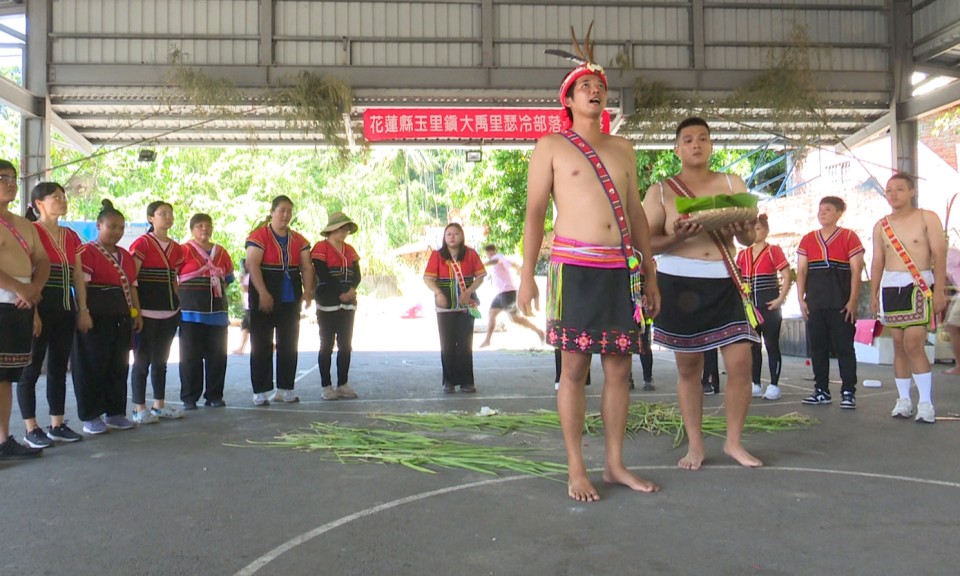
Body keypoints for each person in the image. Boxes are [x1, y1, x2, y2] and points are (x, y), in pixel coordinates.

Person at [518, 51, 661, 502]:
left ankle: (615, 464)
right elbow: (535, 214)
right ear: (568, 98)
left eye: (600, 87)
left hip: (621, 268)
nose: (595, 91)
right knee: (575, 368)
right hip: (573, 268)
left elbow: (636, 213)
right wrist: (527, 275)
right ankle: (576, 468)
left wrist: (650, 272)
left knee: (620, 368)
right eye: (585, 86)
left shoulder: (623, 148)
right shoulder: (551, 146)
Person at [644, 117, 761, 471]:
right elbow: (645, 242)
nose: (696, 144)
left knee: (741, 364)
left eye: (703, 138)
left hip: (725, 280)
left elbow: (749, 237)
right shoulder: (660, 191)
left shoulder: (732, 182)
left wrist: (742, 231)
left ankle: (733, 442)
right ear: (676, 149)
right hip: (678, 283)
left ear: (711, 145)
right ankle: (695, 445)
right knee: (689, 369)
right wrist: (677, 236)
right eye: (688, 139)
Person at [17, 182, 90, 448]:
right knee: (31, 368)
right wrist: (33, 313)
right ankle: (31, 428)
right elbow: (26, 273)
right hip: (39, 305)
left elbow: (78, 276)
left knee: (59, 367)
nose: (62, 201)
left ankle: (56, 425)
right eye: (56, 197)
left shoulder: (71, 235)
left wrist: (83, 309)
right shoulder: (29, 231)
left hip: (65, 307)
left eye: (63, 197)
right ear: (39, 204)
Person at [870, 174, 946, 423]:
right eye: (889, 190)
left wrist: (940, 289)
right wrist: (873, 294)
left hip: (919, 285)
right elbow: (878, 261)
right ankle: (903, 399)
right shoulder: (881, 225)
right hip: (891, 287)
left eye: (899, 189)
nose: (893, 194)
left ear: (912, 191)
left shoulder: (927, 217)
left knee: (914, 343)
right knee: (899, 345)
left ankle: (925, 402)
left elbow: (939, 254)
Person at [73, 199, 143, 434]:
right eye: (111, 226)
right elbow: (81, 286)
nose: (117, 232)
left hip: (121, 317)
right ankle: (90, 416)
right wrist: (83, 311)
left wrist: (137, 313)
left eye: (121, 228)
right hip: (96, 317)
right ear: (98, 225)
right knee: (92, 366)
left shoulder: (125, 255)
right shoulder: (87, 252)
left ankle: (115, 413)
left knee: (118, 365)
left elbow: (132, 287)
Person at [0, 160, 50, 459]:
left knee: (5, 376)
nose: (10, 183)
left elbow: (42, 260)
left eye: (12, 178)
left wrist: (33, 289)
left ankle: (3, 440)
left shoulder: (25, 225)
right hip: (7, 297)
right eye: (2, 177)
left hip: (21, 304)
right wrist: (20, 288)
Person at [245, 195, 314, 406]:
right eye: (282, 210)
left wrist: (308, 292)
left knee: (289, 343)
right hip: (263, 292)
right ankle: (260, 391)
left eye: (289, 211)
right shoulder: (259, 236)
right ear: (272, 212)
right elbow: (252, 264)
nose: (286, 215)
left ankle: (286, 389)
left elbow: (306, 267)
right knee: (261, 343)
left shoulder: (299, 240)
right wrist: (263, 293)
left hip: (290, 296)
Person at [796, 196, 864, 409]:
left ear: (839, 213)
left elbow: (856, 271)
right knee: (817, 348)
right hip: (815, 303)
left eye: (827, 209)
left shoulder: (849, 237)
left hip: (840, 303)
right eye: (820, 209)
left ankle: (848, 391)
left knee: (845, 348)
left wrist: (853, 300)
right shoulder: (808, 239)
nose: (822, 213)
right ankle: (821, 391)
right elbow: (801, 270)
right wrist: (801, 299)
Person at [129, 200, 185, 424]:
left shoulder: (177, 248)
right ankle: (139, 408)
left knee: (161, 360)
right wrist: (136, 311)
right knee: (142, 361)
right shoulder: (142, 244)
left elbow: (174, 280)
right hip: (146, 312)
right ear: (151, 218)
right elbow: (132, 279)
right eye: (162, 213)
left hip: (169, 312)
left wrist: (179, 305)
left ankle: (159, 405)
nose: (168, 217)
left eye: (170, 213)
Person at [178, 213, 235, 409]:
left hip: (217, 314)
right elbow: (173, 277)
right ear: (192, 229)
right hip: (190, 313)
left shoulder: (221, 252)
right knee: (190, 358)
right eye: (200, 226)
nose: (204, 229)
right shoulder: (183, 250)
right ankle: (189, 398)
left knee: (217, 357)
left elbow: (228, 279)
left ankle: (214, 395)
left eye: (208, 225)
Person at [424, 223, 486, 393]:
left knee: (465, 343)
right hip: (445, 307)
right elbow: (427, 278)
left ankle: (467, 382)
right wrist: (439, 293)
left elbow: (480, 276)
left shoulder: (471, 254)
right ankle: (449, 381)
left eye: (456, 233)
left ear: (462, 236)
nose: (452, 237)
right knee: (447, 344)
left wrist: (469, 292)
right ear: (444, 237)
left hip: (466, 305)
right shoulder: (437, 256)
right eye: (449, 234)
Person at [736, 214, 792, 401]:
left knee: (771, 345)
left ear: (766, 231)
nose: (754, 232)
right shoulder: (742, 254)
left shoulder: (773, 251)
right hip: (750, 309)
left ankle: (774, 385)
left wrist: (780, 299)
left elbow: (787, 275)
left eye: (758, 228)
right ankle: (755, 384)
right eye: (751, 229)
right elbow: (737, 278)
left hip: (769, 307)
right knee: (753, 346)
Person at [311, 211, 361, 401]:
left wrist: (351, 290)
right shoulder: (321, 248)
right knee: (326, 344)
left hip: (348, 303)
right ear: (332, 230)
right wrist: (340, 292)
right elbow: (323, 273)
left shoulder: (350, 250)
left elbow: (357, 275)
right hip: (327, 301)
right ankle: (326, 385)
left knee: (346, 345)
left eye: (346, 229)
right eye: (341, 228)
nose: (344, 232)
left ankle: (343, 384)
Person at [478, 244, 544, 348]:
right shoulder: (499, 259)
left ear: (492, 251)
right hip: (501, 293)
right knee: (491, 314)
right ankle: (487, 340)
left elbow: (496, 261)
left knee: (515, 319)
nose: (488, 255)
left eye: (489, 252)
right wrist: (517, 268)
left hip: (508, 293)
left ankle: (539, 331)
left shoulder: (498, 257)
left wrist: (483, 264)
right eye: (487, 253)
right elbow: (512, 263)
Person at [233, 258, 250, 354]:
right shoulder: (246, 276)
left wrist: (241, 282)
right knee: (245, 326)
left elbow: (246, 289)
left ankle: (271, 345)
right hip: (247, 305)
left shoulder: (251, 275)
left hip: (251, 305)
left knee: (252, 327)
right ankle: (241, 347)